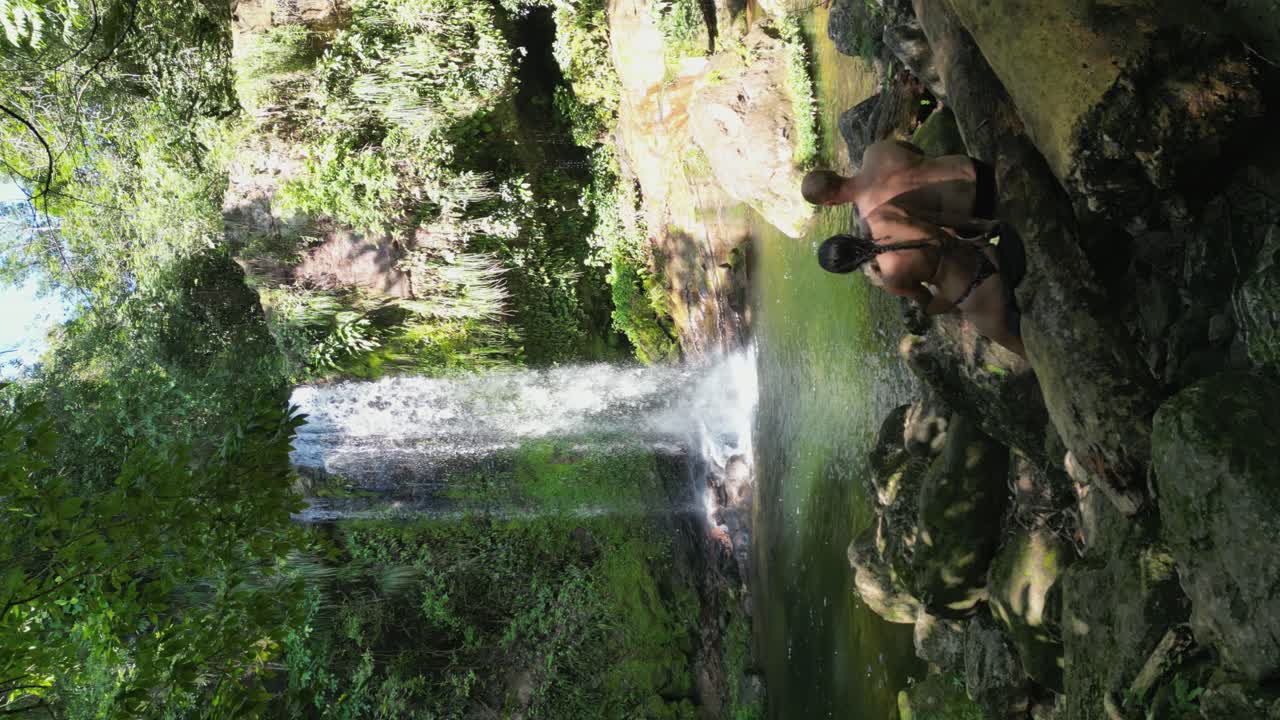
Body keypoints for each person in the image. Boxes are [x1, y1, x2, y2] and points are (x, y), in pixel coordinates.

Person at [818, 204, 1025, 358]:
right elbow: (941, 217)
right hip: (987, 255)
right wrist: (986, 226)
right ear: (845, 237)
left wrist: (925, 303)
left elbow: (933, 306)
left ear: (849, 268)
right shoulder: (881, 214)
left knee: (1022, 348)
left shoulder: (890, 278)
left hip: (979, 292)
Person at [800, 139, 998, 235]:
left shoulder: (871, 219)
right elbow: (919, 151)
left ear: (831, 203)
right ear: (835, 172)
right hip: (975, 168)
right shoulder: (875, 150)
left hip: (978, 208)